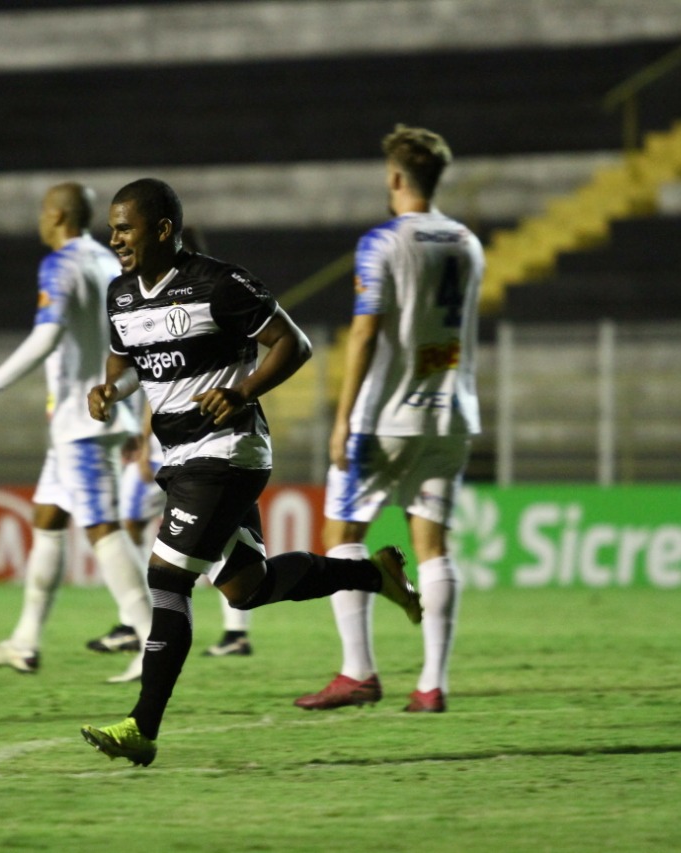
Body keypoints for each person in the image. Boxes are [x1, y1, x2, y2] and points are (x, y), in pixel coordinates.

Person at [79, 178, 419, 766]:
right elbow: (131, 361)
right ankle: (374, 575)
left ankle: (142, 726)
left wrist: (242, 391)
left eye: (125, 228)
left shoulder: (218, 283)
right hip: (178, 457)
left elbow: (294, 343)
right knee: (246, 588)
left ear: (163, 230)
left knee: (167, 579)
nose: (115, 239)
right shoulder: (120, 295)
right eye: (112, 229)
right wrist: (111, 389)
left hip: (225, 452)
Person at [293, 124, 483, 714]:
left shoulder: (382, 243)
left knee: (342, 537)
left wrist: (344, 417)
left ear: (396, 177)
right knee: (433, 547)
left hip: (386, 419)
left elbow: (366, 333)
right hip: (450, 413)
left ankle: (358, 672)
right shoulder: (468, 242)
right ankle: (432, 684)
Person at [0, 181, 153, 685]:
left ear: (59, 216)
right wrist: (131, 411)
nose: (40, 220)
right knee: (47, 517)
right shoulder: (107, 262)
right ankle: (25, 641)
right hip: (97, 414)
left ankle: (153, 640)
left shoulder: (61, 264)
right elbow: (128, 338)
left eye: (44, 212)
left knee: (102, 528)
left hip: (81, 423)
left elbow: (47, 336)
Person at [85, 225, 257, 660]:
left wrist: (144, 440)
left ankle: (141, 632)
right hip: (176, 447)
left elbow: (177, 381)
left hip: (206, 448)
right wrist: (120, 403)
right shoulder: (133, 296)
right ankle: (163, 627)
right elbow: (149, 376)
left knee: (164, 559)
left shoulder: (210, 294)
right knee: (230, 564)